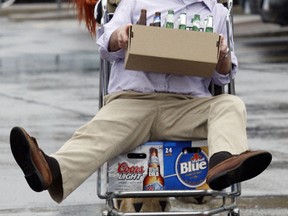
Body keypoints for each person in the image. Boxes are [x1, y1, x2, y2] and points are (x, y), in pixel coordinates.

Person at [10, 0, 272, 204]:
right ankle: (53, 169)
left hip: (185, 105)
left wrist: (222, 53)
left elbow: (224, 75)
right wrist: (120, 36)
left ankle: (222, 163)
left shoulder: (215, 12)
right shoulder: (136, 2)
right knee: (100, 130)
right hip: (134, 100)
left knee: (230, 105)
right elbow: (105, 44)